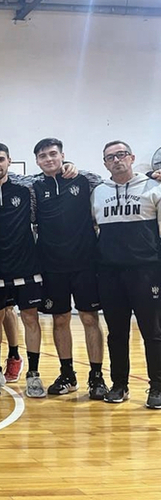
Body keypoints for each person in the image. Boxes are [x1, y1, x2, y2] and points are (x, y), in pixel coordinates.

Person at [32, 138, 107, 398]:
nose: (49, 159)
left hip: (85, 263)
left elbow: (110, 179)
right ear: (37, 161)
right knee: (60, 319)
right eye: (43, 156)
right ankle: (67, 375)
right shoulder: (33, 186)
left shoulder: (84, 180)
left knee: (89, 318)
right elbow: (11, 181)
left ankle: (97, 377)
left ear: (63, 155)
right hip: (52, 266)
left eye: (53, 154)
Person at [0, 143, 47, 397]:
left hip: (27, 267)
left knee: (30, 318)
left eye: (0, 160)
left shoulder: (27, 191)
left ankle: (34, 374)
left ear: (9, 161)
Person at [91, 141, 161, 409]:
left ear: (131, 157)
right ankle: (119, 384)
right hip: (110, 273)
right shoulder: (98, 192)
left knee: (152, 332)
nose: (116, 160)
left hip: (146, 271)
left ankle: (157, 386)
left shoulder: (154, 187)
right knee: (116, 333)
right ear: (105, 163)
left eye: (121, 155)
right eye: (110, 157)